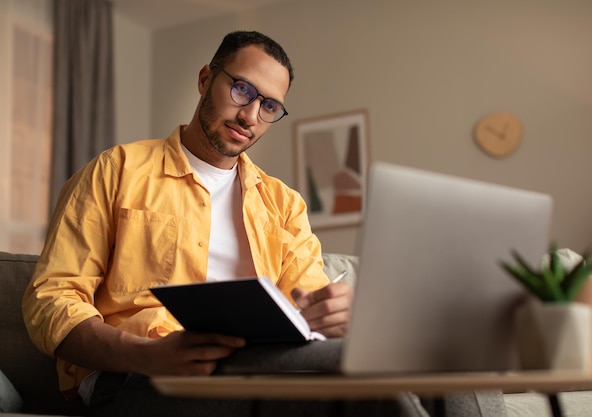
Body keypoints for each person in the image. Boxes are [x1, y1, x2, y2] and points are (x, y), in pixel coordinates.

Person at [22, 30, 431, 417]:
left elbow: (311, 307)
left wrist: (339, 315)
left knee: (413, 366)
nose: (250, 115)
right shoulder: (117, 170)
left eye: (269, 106)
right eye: (242, 90)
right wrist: (142, 353)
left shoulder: (283, 204)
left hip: (258, 366)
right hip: (138, 372)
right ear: (205, 79)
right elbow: (51, 300)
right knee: (375, 400)